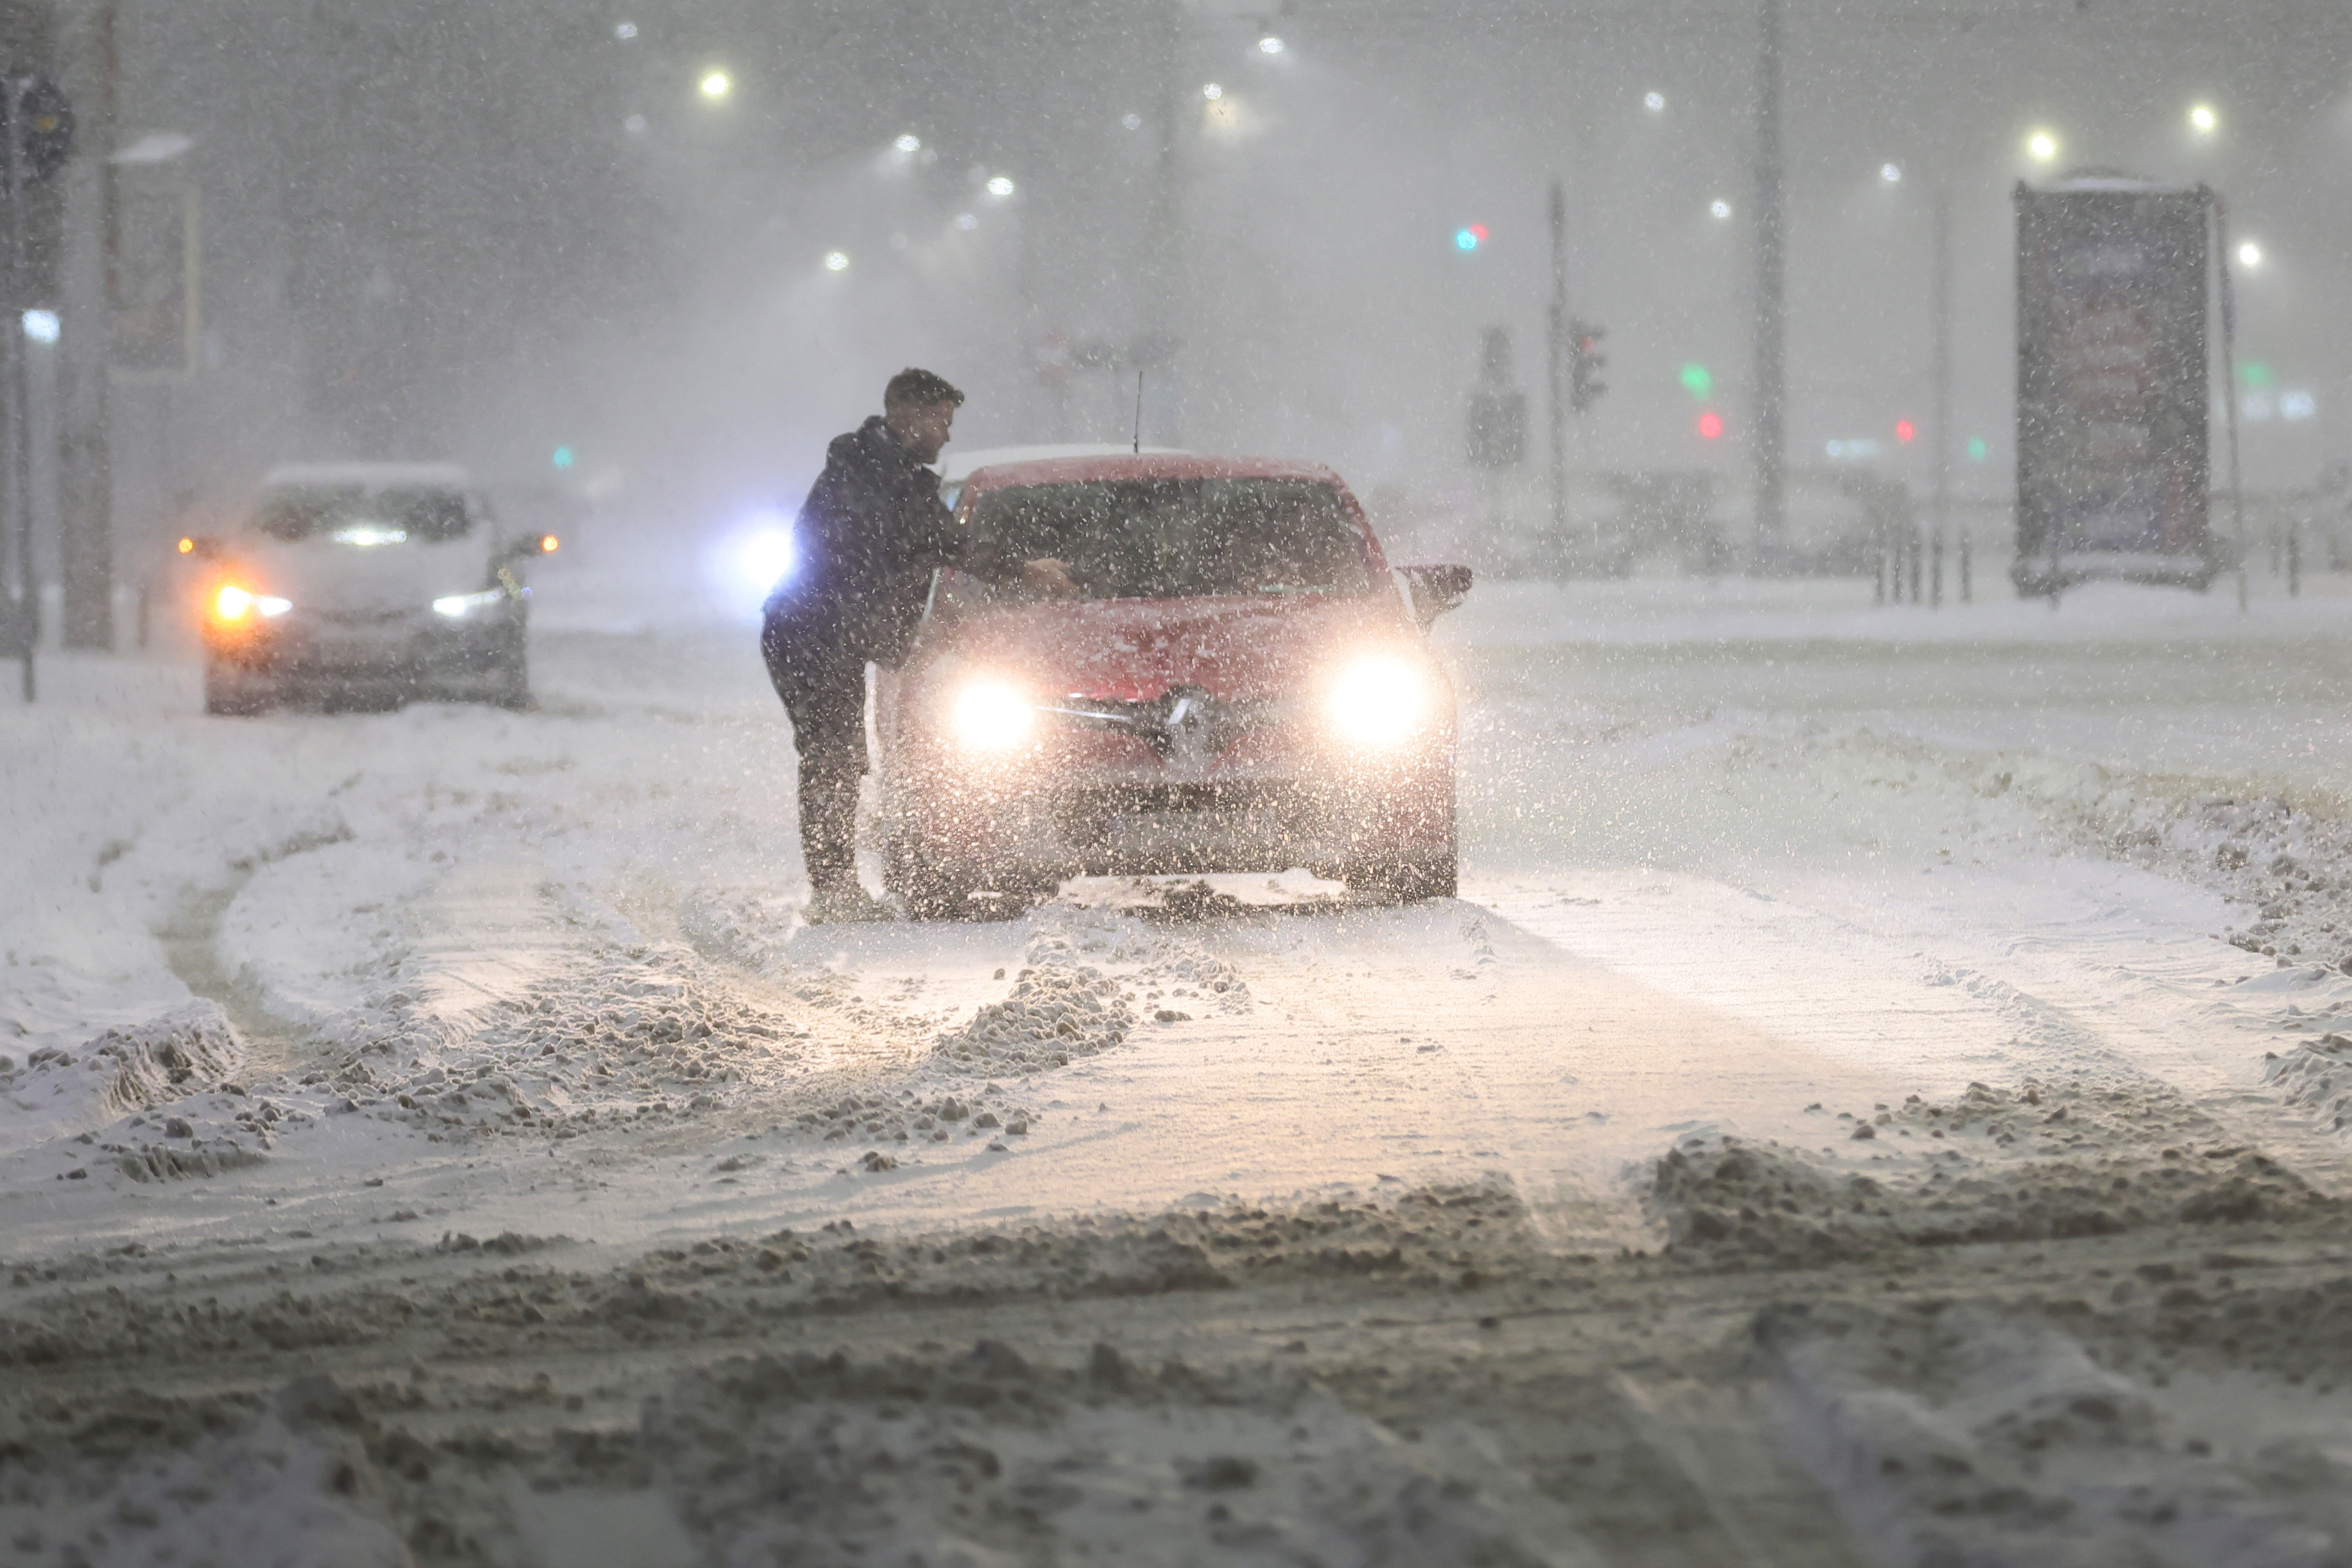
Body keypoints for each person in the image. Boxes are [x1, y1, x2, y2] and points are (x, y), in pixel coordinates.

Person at [761, 368, 1072, 923]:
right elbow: (938, 543)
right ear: (910, 416)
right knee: (833, 757)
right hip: (811, 634)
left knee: (837, 756)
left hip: (821, 631)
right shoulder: (875, 475)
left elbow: (908, 552)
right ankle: (832, 893)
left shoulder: (881, 469)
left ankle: (834, 888)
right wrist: (1025, 570)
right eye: (942, 422)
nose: (947, 436)